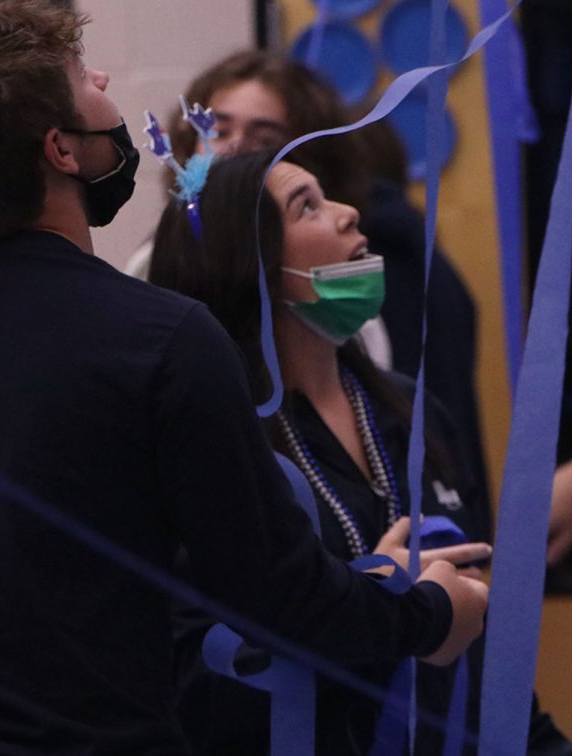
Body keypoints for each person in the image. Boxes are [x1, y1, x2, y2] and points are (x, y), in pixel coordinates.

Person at [0, 0, 489, 754]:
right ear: (61, 148)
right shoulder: (161, 339)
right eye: (83, 74)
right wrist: (426, 614)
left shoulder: (399, 401)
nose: (107, 81)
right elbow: (275, 594)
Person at [149, 149, 572, 756]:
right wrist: (378, 611)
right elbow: (198, 686)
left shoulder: (411, 409)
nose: (349, 213)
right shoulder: (220, 441)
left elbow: (478, 631)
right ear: (254, 266)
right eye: (308, 206)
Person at [130, 49, 492, 541]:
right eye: (217, 131)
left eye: (265, 139)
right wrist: (386, 601)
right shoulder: (213, 434)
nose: (233, 150)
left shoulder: (408, 403)